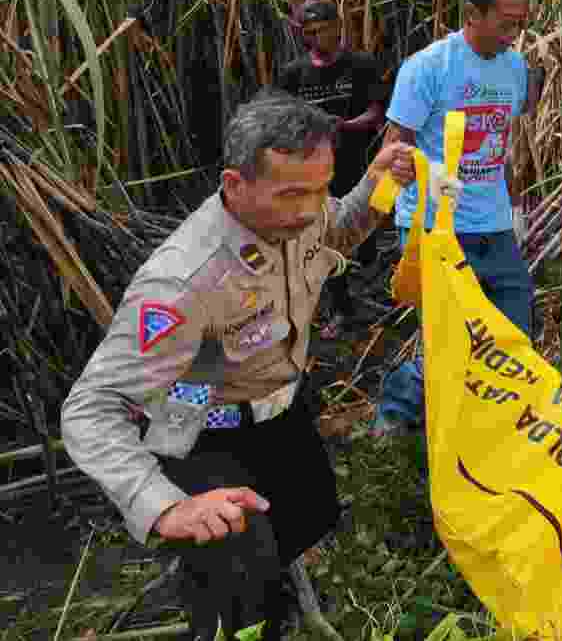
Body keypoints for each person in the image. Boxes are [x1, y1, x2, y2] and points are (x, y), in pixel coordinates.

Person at [60, 92, 416, 641]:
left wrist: (375, 184)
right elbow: (90, 408)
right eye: (292, 193)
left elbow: (337, 230)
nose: (309, 209)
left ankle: (287, 605)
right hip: (204, 421)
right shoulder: (183, 283)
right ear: (234, 185)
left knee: (308, 515)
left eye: (320, 188)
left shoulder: (301, 212)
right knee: (235, 578)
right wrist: (165, 506)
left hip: (277, 400)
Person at [372, 0, 547, 435]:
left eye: (522, 21)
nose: (516, 32)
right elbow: (395, 146)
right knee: (451, 338)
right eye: (507, 21)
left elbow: (502, 140)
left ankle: (492, 425)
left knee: (514, 328)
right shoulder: (429, 68)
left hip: (492, 224)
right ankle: (399, 412)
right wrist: (402, 170)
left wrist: (512, 208)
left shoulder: (513, 68)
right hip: (437, 225)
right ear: (473, 14)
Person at [274, 0, 388, 332]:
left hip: (358, 164)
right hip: (314, 170)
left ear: (338, 27)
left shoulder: (361, 65)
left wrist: (344, 125)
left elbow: (377, 113)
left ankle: (371, 283)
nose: (316, 37)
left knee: (364, 238)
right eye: (309, 32)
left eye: (323, 29)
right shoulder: (294, 74)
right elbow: (283, 118)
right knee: (323, 237)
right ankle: (341, 307)